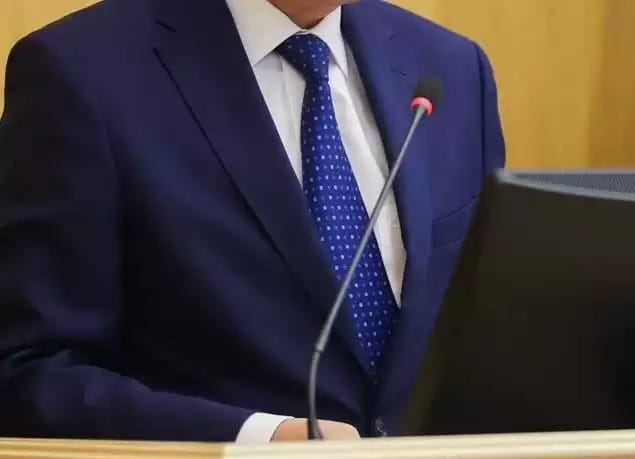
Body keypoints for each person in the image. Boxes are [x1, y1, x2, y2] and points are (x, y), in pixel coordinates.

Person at [0, 0, 505, 442]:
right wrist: (257, 438)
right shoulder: (82, 71)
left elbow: (485, 335)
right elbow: (28, 371)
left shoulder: (453, 67)